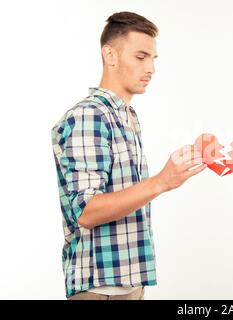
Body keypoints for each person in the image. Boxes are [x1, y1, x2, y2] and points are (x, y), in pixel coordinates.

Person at [51, 12, 206, 300]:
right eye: (140, 57)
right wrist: (162, 181)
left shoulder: (126, 116)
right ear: (110, 55)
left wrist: (176, 172)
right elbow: (87, 211)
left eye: (153, 59)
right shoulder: (89, 116)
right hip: (98, 290)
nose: (151, 68)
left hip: (130, 285)